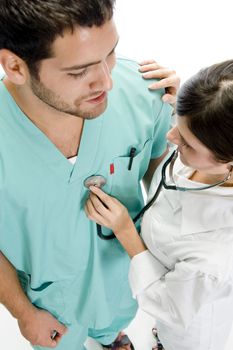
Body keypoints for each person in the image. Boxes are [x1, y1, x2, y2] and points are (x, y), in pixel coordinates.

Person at [0, 1, 180, 349]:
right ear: (16, 66)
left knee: (113, 329)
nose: (108, 82)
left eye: (110, 53)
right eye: (79, 71)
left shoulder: (146, 93)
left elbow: (167, 185)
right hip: (48, 313)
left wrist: (191, 116)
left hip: (123, 288)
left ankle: (113, 338)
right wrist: (23, 312)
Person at [85, 59, 233, 350]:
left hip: (187, 327)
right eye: (178, 121)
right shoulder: (211, 150)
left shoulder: (217, 253)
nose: (170, 136)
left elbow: (169, 305)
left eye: (188, 143)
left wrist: (126, 231)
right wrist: (189, 108)